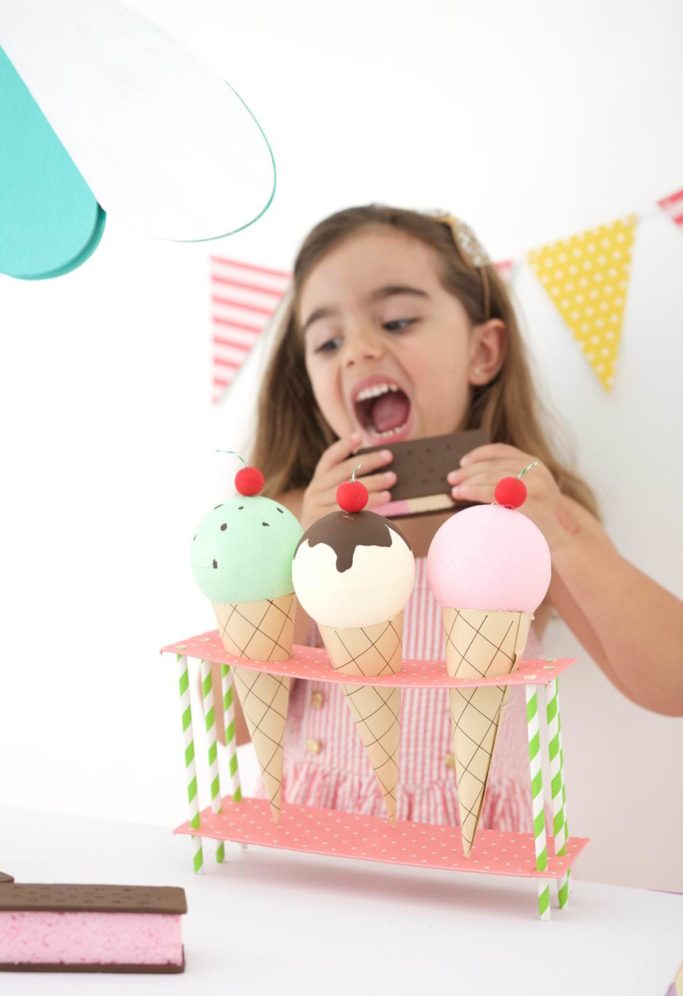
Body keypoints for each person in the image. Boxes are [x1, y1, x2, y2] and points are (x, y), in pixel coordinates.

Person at [229, 204, 683, 830]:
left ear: (483, 351)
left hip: (472, 851)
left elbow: (672, 684)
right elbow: (231, 724)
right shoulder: (284, 522)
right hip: (309, 844)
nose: (359, 350)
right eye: (328, 341)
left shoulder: (526, 522)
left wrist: (561, 536)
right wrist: (307, 556)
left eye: (397, 320)